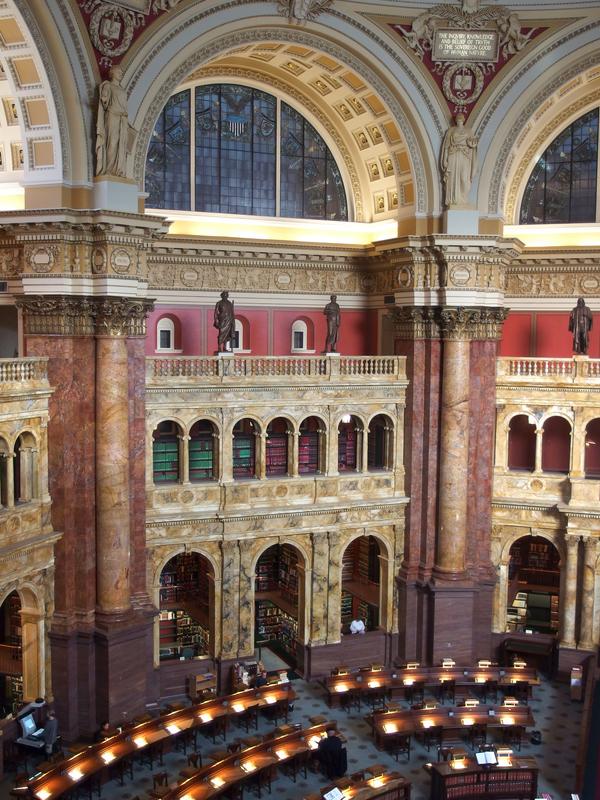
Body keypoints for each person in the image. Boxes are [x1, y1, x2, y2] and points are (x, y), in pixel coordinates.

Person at [96, 66, 130, 177]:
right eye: (119, 71)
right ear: (112, 73)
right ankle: (109, 169)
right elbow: (104, 99)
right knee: (112, 143)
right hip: (112, 116)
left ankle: (118, 170)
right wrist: (104, 98)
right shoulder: (108, 85)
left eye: (122, 72)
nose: (121, 73)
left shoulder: (122, 89)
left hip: (122, 119)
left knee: (121, 145)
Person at [440, 113, 478, 207]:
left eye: (461, 118)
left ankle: (463, 200)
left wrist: (472, 143)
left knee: (464, 178)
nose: (459, 119)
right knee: (453, 178)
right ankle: (453, 200)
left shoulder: (469, 131)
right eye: (458, 118)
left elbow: (473, 145)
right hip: (453, 155)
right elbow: (446, 146)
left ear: (464, 119)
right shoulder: (451, 130)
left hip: (465, 156)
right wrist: (445, 159)